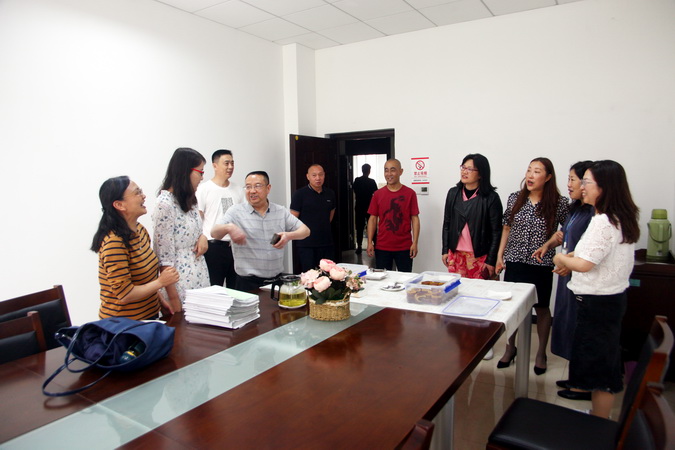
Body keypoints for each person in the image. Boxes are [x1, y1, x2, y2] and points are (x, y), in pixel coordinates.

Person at [553, 160, 639, 418]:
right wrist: (571, 257)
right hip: (608, 301)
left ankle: (599, 424)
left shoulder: (604, 221)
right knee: (602, 365)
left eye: (587, 182)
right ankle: (598, 416)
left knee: (601, 370)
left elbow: (584, 263)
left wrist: (560, 258)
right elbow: (590, 253)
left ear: (604, 187)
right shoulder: (617, 217)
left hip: (598, 305)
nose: (582, 187)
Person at [496, 157, 569, 374]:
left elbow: (566, 231)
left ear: (547, 177)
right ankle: (510, 348)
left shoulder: (559, 203)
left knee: (542, 308)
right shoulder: (515, 198)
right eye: (529, 170)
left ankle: (540, 354)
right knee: (512, 307)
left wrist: (559, 251)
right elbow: (506, 228)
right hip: (515, 260)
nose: (530, 175)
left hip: (541, 263)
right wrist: (500, 256)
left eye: (537, 171)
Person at [533, 160, 595, 400]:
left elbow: (589, 251)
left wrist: (564, 261)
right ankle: (576, 377)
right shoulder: (575, 209)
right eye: (569, 179)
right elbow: (562, 235)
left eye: (574, 180)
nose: (569, 184)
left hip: (580, 276)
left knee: (581, 328)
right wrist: (547, 245)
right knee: (569, 324)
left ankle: (583, 384)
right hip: (567, 274)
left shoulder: (595, 214)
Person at [92, 176, 180, 319]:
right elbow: (125, 294)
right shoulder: (114, 243)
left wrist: (160, 300)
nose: (143, 196)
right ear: (119, 205)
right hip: (124, 325)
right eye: (137, 193)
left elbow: (144, 279)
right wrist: (161, 282)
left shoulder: (140, 230)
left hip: (149, 318)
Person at [211, 171, 310, 292]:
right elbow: (214, 233)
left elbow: (305, 231)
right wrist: (229, 227)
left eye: (257, 186)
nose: (252, 191)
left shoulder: (280, 211)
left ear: (268, 188)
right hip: (246, 283)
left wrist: (289, 235)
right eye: (248, 187)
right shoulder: (235, 212)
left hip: (275, 282)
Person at [153, 148, 210, 305]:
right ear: (186, 171)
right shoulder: (165, 204)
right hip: (179, 285)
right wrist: (173, 299)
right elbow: (164, 259)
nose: (202, 178)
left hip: (199, 276)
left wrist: (203, 237)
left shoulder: (190, 200)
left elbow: (195, 230)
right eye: (200, 172)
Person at [442, 154, 503, 280]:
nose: (464, 172)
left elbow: (496, 232)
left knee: (480, 290)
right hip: (456, 254)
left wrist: (491, 260)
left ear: (481, 174)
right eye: (463, 167)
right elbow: (447, 223)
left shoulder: (491, 197)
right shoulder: (453, 193)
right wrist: (445, 250)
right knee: (458, 289)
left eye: (470, 169)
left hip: (480, 255)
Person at [196, 149, 244, 288]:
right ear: (215, 165)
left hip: (235, 247)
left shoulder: (238, 189)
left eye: (232, 163)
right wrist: (200, 237)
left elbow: (243, 216)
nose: (230, 167)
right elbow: (198, 217)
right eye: (226, 163)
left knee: (236, 288)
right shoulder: (204, 189)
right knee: (214, 288)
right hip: (213, 247)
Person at [366, 159, 420, 272]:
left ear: (401, 171)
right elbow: (373, 219)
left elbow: (415, 218)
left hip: (404, 246)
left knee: (405, 279)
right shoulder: (378, 194)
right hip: (382, 246)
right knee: (382, 279)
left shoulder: (410, 193)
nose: (389, 174)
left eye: (393, 170)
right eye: (386, 170)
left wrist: (415, 242)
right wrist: (370, 242)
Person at [290, 164, 336, 272]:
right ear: (308, 176)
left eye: (320, 175)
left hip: (326, 242)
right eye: (314, 175)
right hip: (306, 244)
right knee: (309, 275)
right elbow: (292, 219)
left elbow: (330, 215)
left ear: (324, 175)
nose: (318, 178)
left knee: (327, 275)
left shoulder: (330, 193)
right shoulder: (299, 194)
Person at [352, 163, 378, 254]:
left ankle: (359, 246)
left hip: (359, 207)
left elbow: (354, 190)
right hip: (369, 207)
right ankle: (375, 245)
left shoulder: (357, 180)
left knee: (359, 227)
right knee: (372, 226)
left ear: (362, 170)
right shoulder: (371, 182)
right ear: (369, 171)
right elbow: (376, 193)